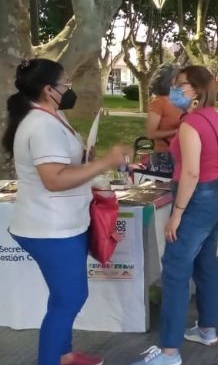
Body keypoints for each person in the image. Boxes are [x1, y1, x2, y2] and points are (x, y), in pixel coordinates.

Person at [3, 58, 130, 365]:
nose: (70, 90)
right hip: (50, 229)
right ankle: (52, 358)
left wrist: (88, 159)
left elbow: (64, 165)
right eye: (65, 85)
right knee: (69, 298)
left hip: (63, 224)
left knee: (66, 296)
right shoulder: (41, 125)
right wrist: (105, 162)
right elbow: (54, 179)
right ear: (49, 90)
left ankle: (64, 355)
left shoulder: (51, 116)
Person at [132, 66, 218, 365]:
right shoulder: (214, 118)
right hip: (215, 196)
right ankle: (206, 329)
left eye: (180, 85)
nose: (174, 89)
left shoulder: (191, 124)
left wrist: (177, 214)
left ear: (197, 90)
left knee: (174, 271)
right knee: (205, 265)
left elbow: (190, 172)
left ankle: (169, 352)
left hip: (196, 199)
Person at [146, 64, 182, 174]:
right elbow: (151, 133)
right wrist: (175, 132)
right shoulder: (158, 103)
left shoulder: (180, 100)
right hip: (164, 156)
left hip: (181, 153)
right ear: (170, 81)